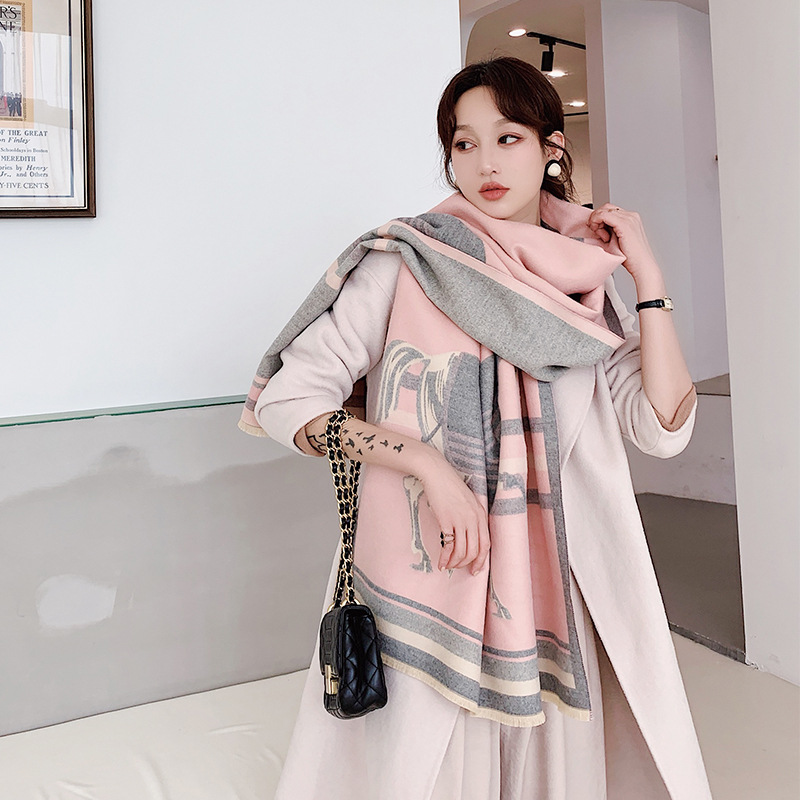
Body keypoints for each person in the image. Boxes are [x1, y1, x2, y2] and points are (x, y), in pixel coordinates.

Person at [238, 57, 713, 799]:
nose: (485, 163)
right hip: (437, 567)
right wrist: (424, 462)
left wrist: (647, 279)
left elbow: (660, 427)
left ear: (552, 148)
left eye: (508, 138)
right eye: (464, 143)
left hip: (560, 575)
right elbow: (287, 399)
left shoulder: (588, 285)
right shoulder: (411, 261)